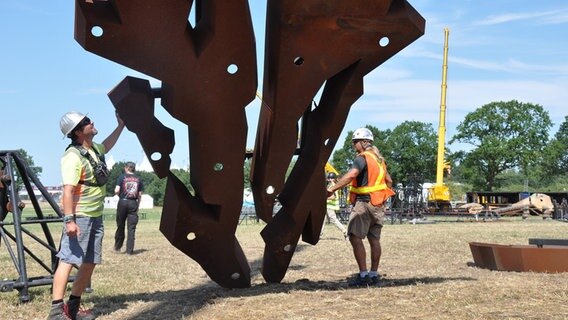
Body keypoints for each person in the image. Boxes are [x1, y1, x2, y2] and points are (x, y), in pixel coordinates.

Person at [47, 111, 124, 320]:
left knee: (89, 261)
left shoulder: (94, 149)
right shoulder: (72, 156)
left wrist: (120, 126)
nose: (92, 123)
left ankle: (72, 308)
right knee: (68, 260)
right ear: (78, 132)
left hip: (95, 215)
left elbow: (107, 144)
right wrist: (69, 220)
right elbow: (68, 191)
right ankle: (56, 311)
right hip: (79, 216)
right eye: (87, 122)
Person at [326, 127, 395, 287]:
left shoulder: (362, 158)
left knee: (354, 236)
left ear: (364, 142)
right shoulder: (379, 160)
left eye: (355, 142)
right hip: (378, 204)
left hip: (364, 204)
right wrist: (383, 198)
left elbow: (351, 175)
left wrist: (331, 189)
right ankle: (374, 273)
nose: (353, 145)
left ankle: (363, 275)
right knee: (374, 239)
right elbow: (389, 181)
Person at [113, 161, 143, 255]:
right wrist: (137, 205)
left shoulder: (122, 177)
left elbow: (116, 190)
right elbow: (140, 195)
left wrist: (119, 194)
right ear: (134, 169)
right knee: (131, 228)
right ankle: (129, 251)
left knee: (120, 225)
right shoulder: (139, 179)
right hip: (133, 202)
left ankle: (117, 247)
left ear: (126, 168)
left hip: (123, 201)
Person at [321, 172, 347, 239]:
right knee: (322, 220)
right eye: (329, 178)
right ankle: (319, 234)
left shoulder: (332, 185)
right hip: (328, 206)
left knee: (333, 220)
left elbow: (333, 197)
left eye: (331, 178)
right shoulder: (331, 184)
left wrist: (324, 198)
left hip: (330, 206)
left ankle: (344, 231)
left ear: (334, 179)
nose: (330, 179)